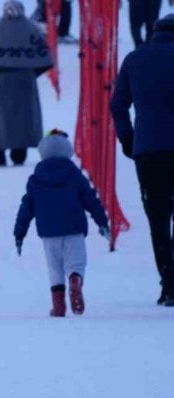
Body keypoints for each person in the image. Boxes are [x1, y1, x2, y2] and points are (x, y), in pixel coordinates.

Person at [111, 15, 174, 306]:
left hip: (148, 150)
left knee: (158, 218)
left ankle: (168, 282)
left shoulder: (135, 59)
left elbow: (118, 104)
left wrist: (128, 138)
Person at [14, 130, 110, 316]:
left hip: (48, 232)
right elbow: (91, 199)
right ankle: (75, 280)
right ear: (67, 151)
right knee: (76, 263)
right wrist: (102, 222)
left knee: (54, 267)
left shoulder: (36, 179)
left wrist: (19, 234)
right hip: (74, 229)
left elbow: (26, 208)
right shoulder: (74, 175)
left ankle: (58, 306)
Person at [0, 1, 54, 168]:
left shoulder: (0, 27)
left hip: (1, 81)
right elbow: (44, 56)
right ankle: (19, 154)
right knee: (24, 118)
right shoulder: (30, 28)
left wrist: (0, 65)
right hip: (24, 80)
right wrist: (30, 71)